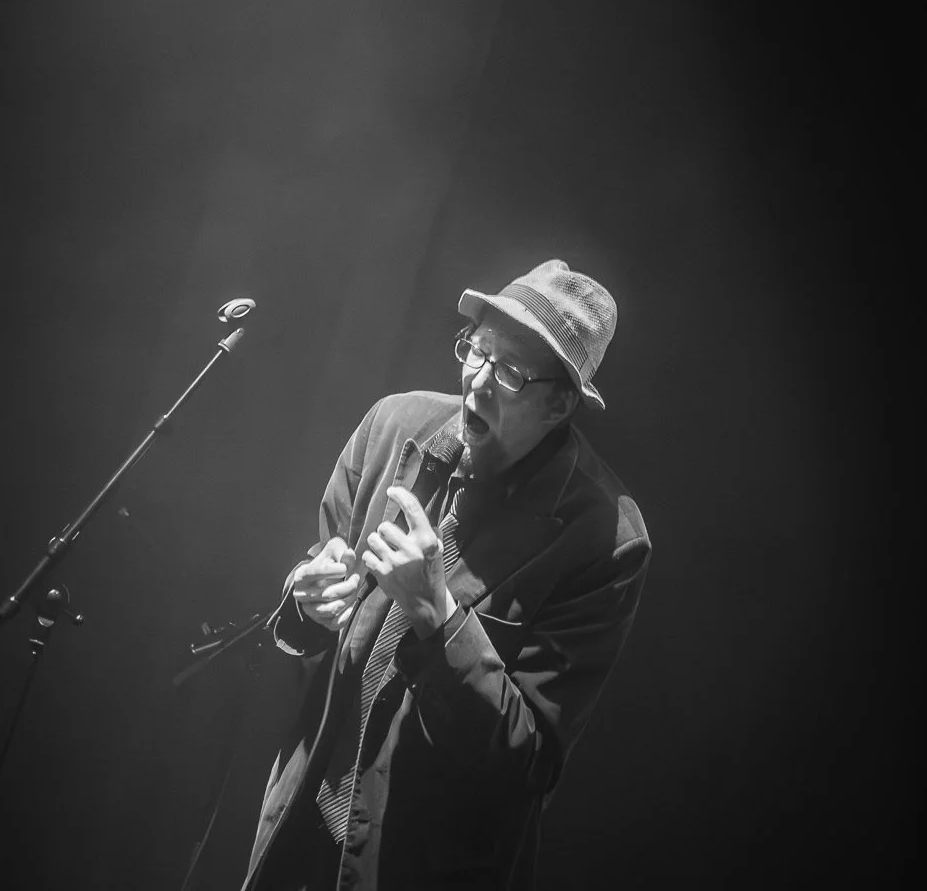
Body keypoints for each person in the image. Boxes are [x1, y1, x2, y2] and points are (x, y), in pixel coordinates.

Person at [241, 260, 650, 891]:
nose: (476, 381)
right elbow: (308, 621)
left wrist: (439, 614)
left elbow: (528, 762)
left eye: (509, 372)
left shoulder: (603, 540)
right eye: (474, 351)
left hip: (414, 865)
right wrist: (305, 604)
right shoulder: (391, 426)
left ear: (560, 403)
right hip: (300, 830)